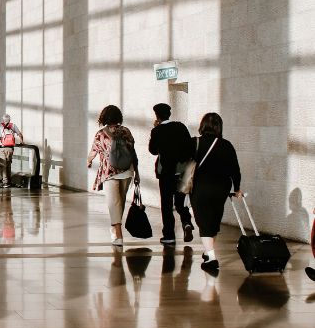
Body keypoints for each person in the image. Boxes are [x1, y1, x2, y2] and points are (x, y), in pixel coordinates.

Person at [190, 112, 242, 275]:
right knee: (213, 222)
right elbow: (235, 170)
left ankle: (212, 258)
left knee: (203, 223)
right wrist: (237, 188)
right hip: (221, 189)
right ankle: (207, 252)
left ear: (202, 125)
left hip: (200, 188)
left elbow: (184, 163)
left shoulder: (195, 143)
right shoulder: (226, 145)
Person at [87, 105, 140, 247]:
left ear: (104, 117)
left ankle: (118, 233)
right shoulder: (126, 131)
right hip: (127, 171)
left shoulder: (101, 134)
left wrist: (89, 161)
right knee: (120, 202)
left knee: (113, 203)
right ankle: (115, 228)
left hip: (109, 172)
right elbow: (133, 153)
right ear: (118, 117)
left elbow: (93, 151)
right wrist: (137, 173)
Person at [148, 103, 196, 247]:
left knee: (166, 204)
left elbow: (153, 150)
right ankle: (187, 222)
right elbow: (189, 146)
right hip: (182, 171)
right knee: (180, 202)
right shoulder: (180, 127)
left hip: (166, 173)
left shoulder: (157, 131)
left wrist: (156, 129)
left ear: (157, 116)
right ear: (169, 114)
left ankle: (169, 235)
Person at [0, 114, 23, 188]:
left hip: (2, 148)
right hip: (10, 148)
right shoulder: (13, 126)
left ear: (3, 120)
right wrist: (22, 141)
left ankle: (5, 182)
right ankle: (9, 181)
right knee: (8, 164)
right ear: (9, 120)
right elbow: (20, 134)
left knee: (3, 165)